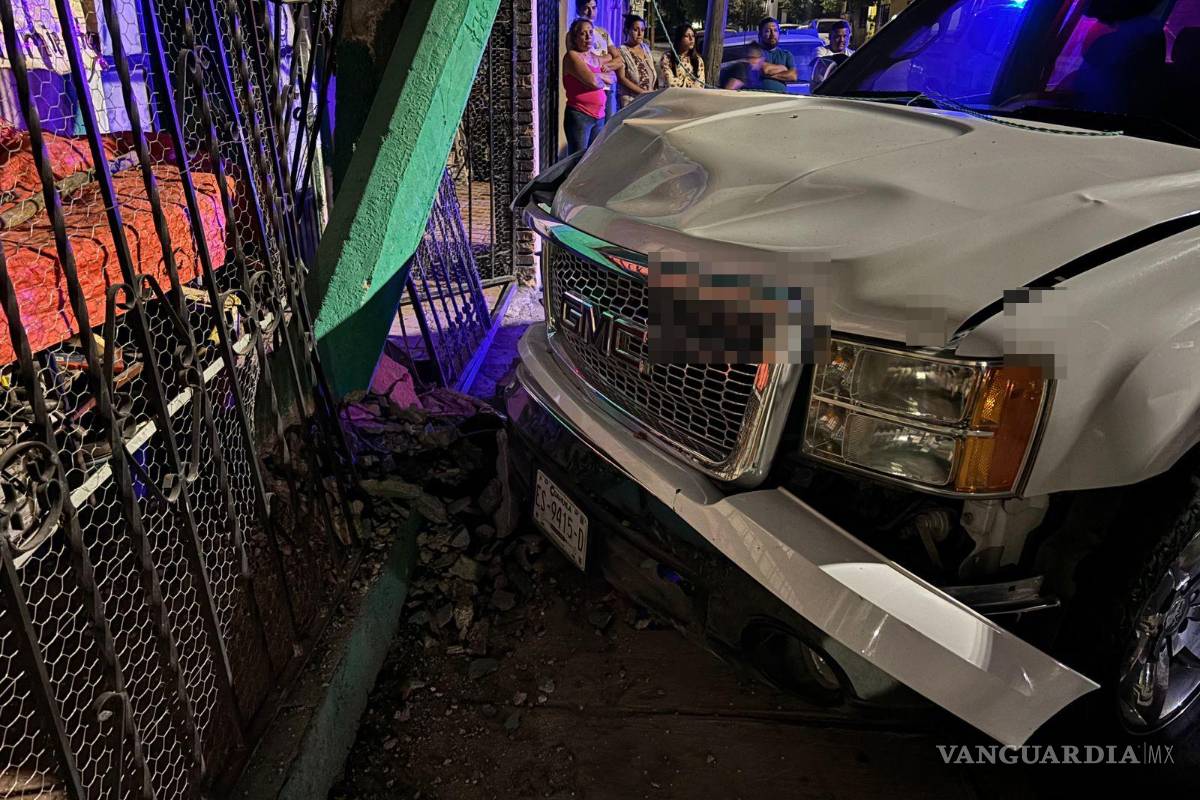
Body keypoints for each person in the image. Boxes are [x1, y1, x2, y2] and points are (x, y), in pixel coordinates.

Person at [563, 18, 616, 154]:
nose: (588, 37)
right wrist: (602, 77)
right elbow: (593, 81)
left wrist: (601, 76)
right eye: (583, 33)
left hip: (599, 116)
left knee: (592, 160)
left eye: (591, 32)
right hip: (581, 115)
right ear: (575, 38)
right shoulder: (572, 56)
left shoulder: (594, 57)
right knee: (577, 161)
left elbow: (613, 77)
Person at [577, 0, 622, 107]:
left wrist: (608, 64)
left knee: (610, 122)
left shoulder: (603, 33)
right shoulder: (575, 34)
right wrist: (608, 57)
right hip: (588, 88)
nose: (590, 12)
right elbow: (582, 59)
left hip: (607, 87)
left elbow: (619, 60)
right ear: (579, 10)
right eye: (586, 8)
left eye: (593, 8)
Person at [617, 14, 655, 107]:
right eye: (635, 30)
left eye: (642, 30)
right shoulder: (622, 51)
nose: (640, 33)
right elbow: (621, 78)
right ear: (627, 30)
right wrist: (642, 92)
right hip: (631, 101)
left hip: (648, 99)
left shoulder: (645, 48)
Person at [659, 23, 706, 89]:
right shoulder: (667, 58)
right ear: (679, 38)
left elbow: (700, 85)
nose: (691, 39)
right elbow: (670, 83)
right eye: (687, 36)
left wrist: (682, 82)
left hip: (693, 98)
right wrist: (691, 83)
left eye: (693, 36)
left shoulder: (698, 60)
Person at [757, 17, 796, 93]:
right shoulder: (754, 51)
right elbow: (765, 69)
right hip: (756, 99)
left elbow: (793, 75)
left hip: (780, 100)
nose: (772, 34)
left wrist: (767, 75)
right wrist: (783, 69)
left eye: (775, 30)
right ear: (760, 35)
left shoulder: (786, 55)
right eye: (767, 31)